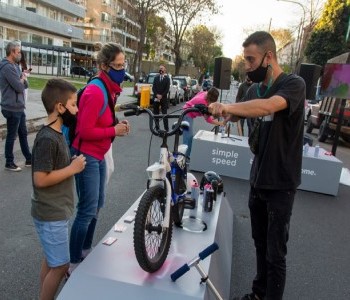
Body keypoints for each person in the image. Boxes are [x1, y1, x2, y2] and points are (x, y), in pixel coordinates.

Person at [209, 31, 305, 300]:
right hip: (258, 178)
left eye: (251, 60)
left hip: (281, 182)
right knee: (260, 244)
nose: (248, 66)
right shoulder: (252, 90)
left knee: (276, 253)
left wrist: (232, 108)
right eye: (246, 61)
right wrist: (223, 114)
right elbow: (244, 110)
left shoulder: (293, 84)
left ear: (269, 56)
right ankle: (258, 293)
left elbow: (267, 107)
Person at [69, 42, 130, 275]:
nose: (122, 70)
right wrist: (113, 131)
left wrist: (117, 125)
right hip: (87, 157)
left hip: (99, 154)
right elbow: (84, 131)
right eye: (118, 65)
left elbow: (101, 121)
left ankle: (85, 250)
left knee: (97, 205)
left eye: (124, 65)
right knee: (86, 209)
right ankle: (73, 263)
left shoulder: (108, 88)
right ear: (104, 66)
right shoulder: (96, 90)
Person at [31, 79, 86, 300]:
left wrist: (69, 162)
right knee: (61, 265)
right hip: (50, 212)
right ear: (59, 107)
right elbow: (40, 179)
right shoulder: (47, 138)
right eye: (73, 105)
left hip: (56, 210)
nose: (77, 109)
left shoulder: (58, 133)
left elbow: (54, 167)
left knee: (51, 260)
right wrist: (72, 168)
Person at [0, 41, 32, 171]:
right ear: (12, 52)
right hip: (11, 107)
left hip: (19, 106)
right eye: (18, 52)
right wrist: (23, 78)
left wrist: (23, 78)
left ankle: (29, 158)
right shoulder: (7, 67)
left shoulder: (15, 66)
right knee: (12, 135)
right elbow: (19, 86)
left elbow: (25, 84)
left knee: (23, 133)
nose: (20, 54)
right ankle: (9, 162)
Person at [182, 87, 224, 157]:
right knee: (188, 138)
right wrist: (220, 123)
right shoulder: (203, 103)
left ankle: (187, 156)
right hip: (186, 114)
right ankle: (185, 158)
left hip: (188, 114)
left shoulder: (205, 93)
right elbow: (208, 119)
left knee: (189, 138)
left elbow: (197, 95)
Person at [152, 64, 170, 131]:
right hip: (156, 98)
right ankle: (157, 128)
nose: (161, 70)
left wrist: (161, 95)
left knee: (164, 114)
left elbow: (167, 89)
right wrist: (157, 95)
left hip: (163, 99)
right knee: (156, 114)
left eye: (162, 68)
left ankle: (166, 129)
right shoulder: (156, 78)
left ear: (165, 70)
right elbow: (153, 88)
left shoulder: (167, 79)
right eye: (160, 68)